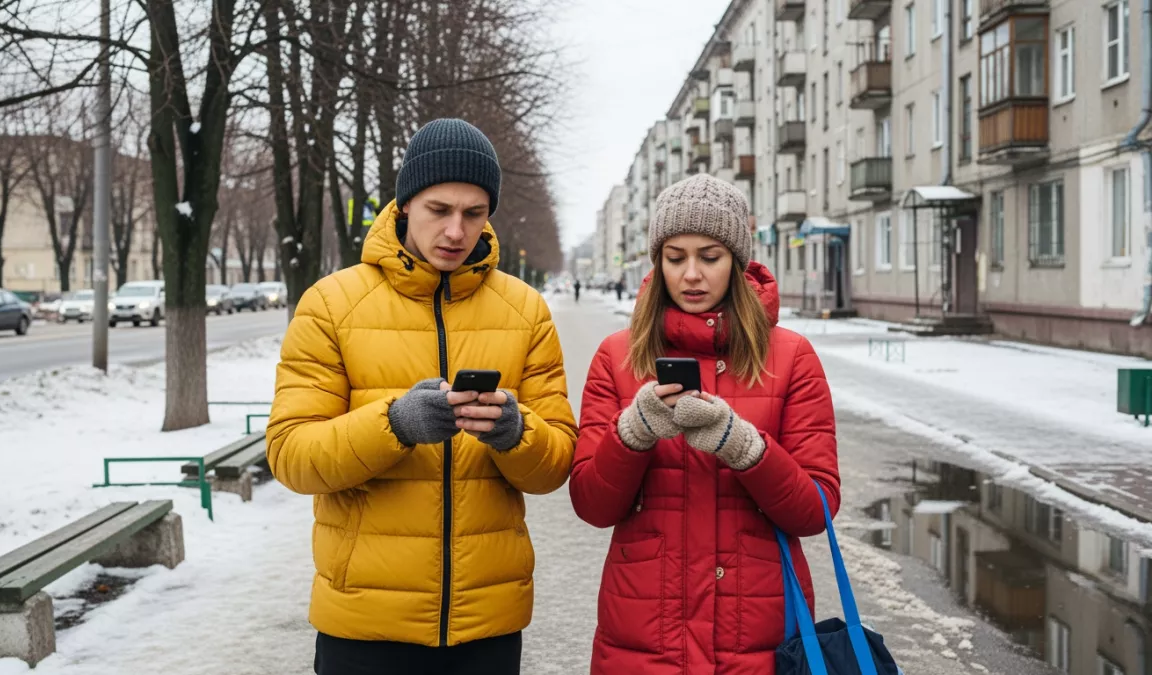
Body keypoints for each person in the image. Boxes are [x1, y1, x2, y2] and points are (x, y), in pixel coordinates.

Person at [266, 118, 579, 675]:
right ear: (405, 204)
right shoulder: (331, 305)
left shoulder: (526, 311)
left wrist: (516, 433)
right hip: (364, 622)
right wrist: (395, 424)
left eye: (474, 213)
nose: (456, 232)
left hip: (487, 620)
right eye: (439, 210)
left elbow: (554, 466)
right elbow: (292, 457)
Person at [569, 174, 839, 674]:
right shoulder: (616, 357)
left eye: (709, 257)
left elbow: (814, 511)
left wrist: (745, 448)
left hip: (759, 644)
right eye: (675, 258)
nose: (691, 274)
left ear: (736, 262)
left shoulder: (792, 357)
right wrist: (634, 434)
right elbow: (591, 504)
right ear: (658, 261)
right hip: (644, 645)